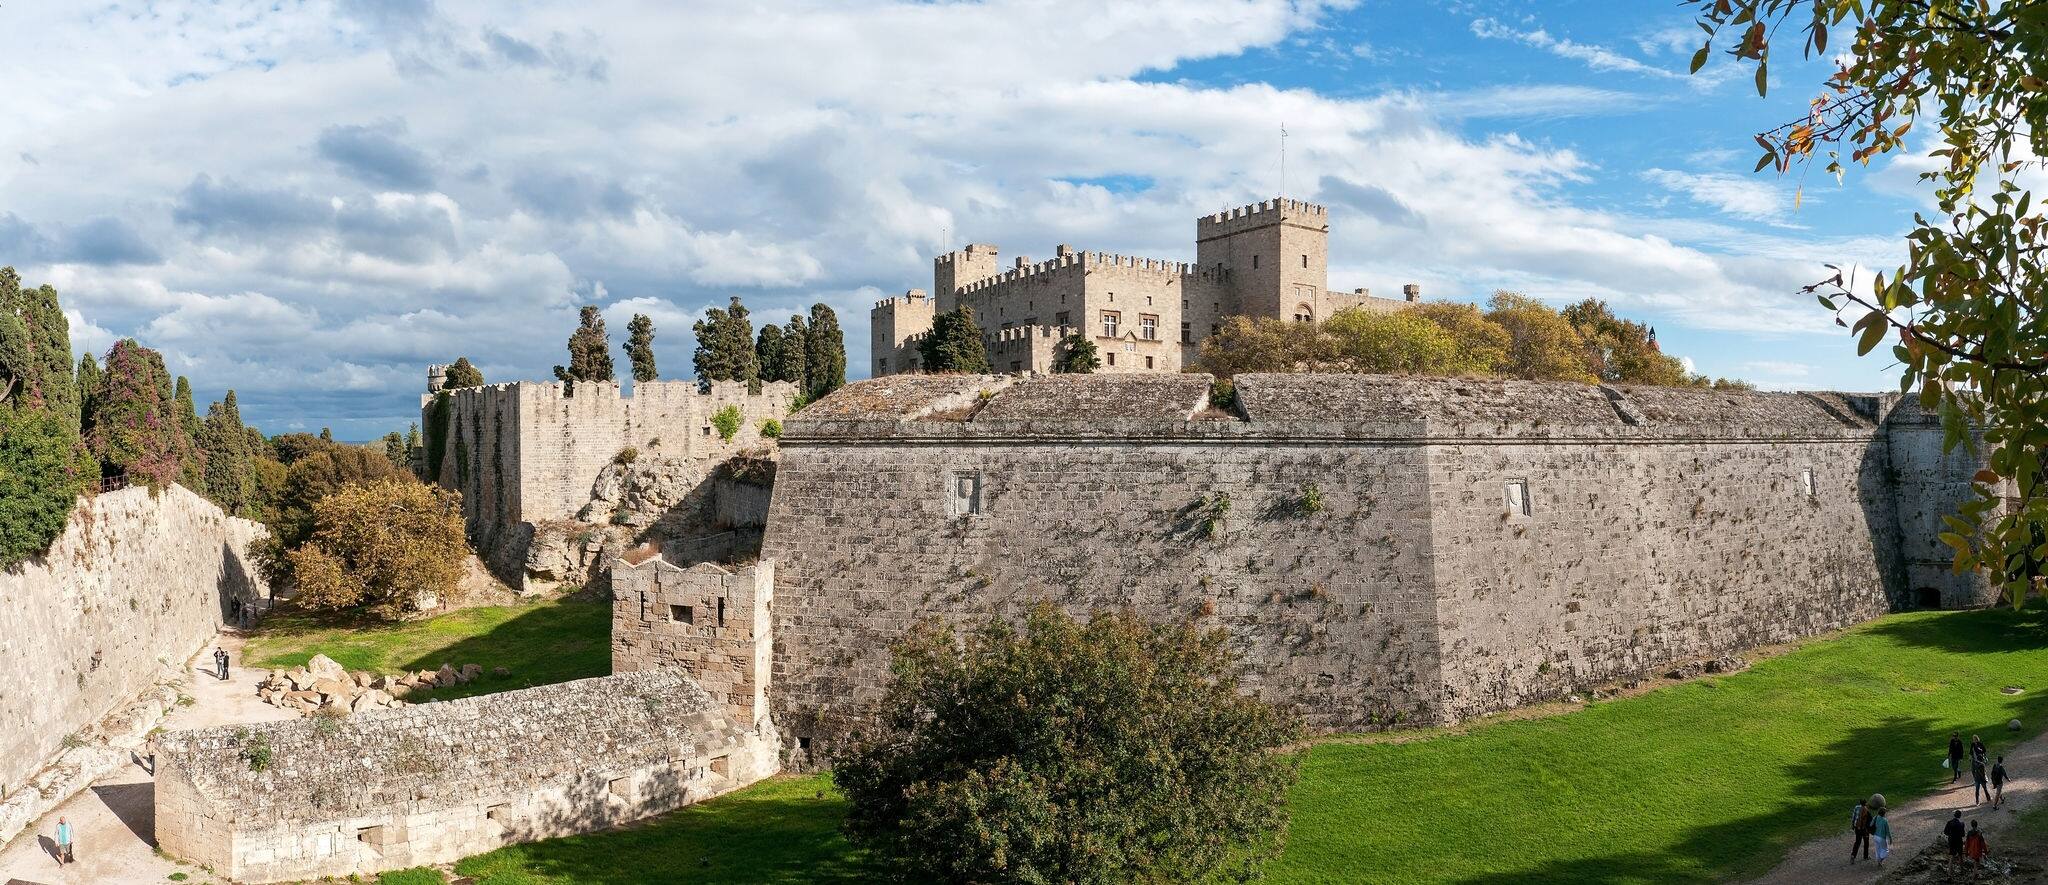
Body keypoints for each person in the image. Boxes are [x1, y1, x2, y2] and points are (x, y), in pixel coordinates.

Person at [1848, 798, 1870, 862]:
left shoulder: (1856, 807)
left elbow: (1853, 817)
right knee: (1866, 842)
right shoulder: (1866, 810)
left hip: (1857, 827)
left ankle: (1853, 855)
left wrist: (1852, 825)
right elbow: (1867, 821)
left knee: (1857, 842)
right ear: (1865, 803)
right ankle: (1865, 856)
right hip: (1863, 829)